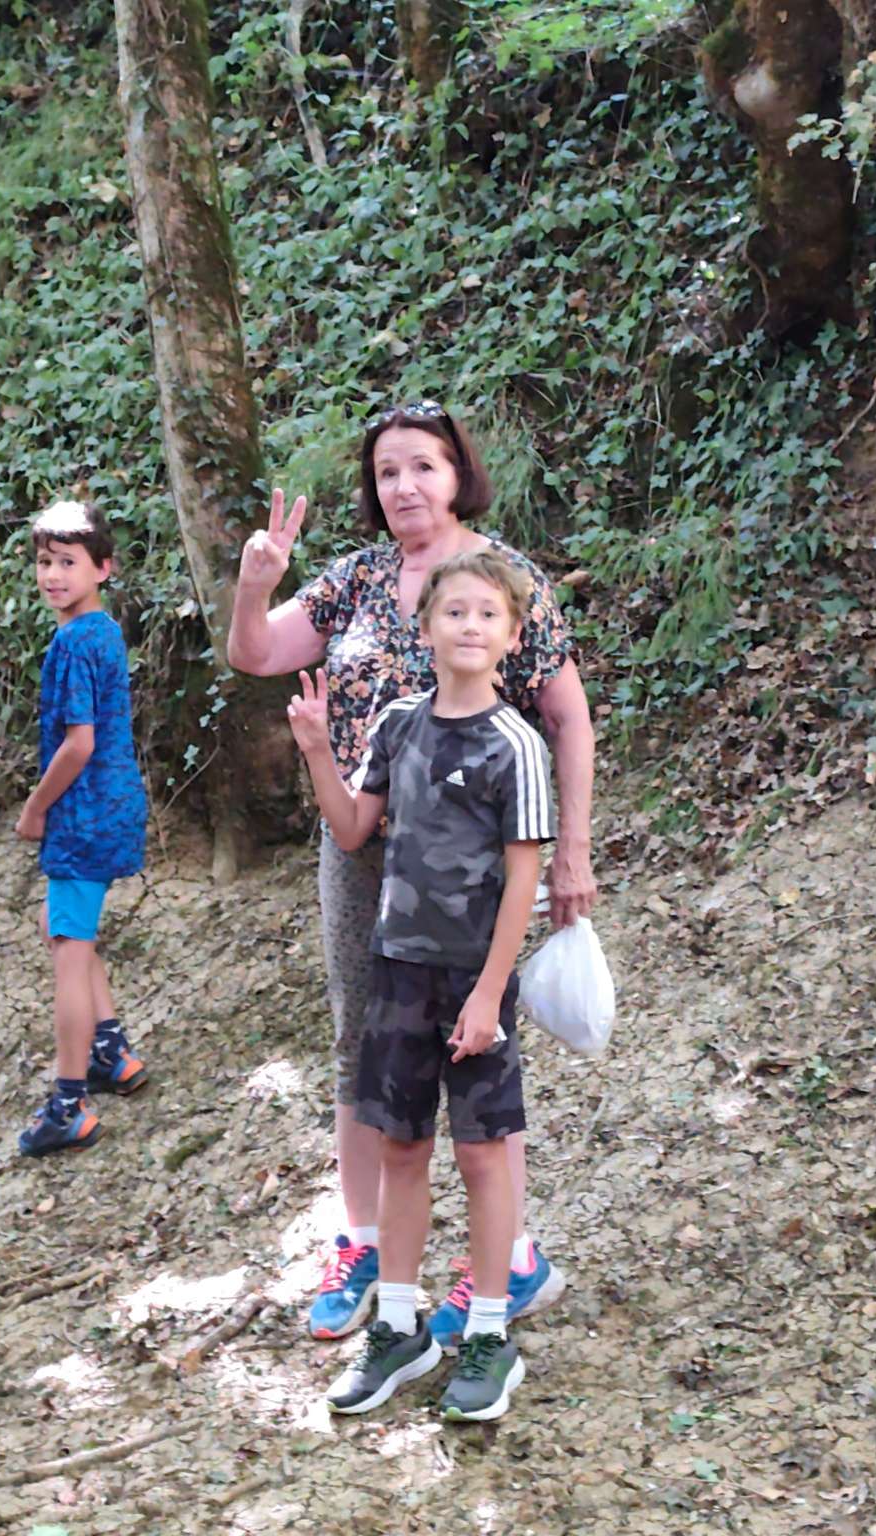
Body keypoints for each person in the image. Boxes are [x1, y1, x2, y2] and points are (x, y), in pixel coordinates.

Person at [227, 401, 598, 1344]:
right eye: (387, 471)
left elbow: (568, 718)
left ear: (457, 473)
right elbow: (256, 651)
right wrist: (254, 585)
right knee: (362, 1039)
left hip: (474, 867)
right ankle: (361, 1245)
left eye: (423, 466)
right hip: (362, 852)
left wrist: (573, 850)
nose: (404, 486)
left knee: (479, 1047)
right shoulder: (355, 580)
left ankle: (507, 1261)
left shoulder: (503, 579)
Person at [287, 549, 551, 1421]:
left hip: (475, 978)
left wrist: (490, 993)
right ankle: (398, 1327)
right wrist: (318, 751)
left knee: (482, 1152)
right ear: (425, 627)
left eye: (487, 615)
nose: (469, 626)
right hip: (397, 969)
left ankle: (489, 1332)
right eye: (454, 612)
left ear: (511, 636)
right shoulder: (397, 724)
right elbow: (352, 828)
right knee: (401, 1145)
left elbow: (523, 878)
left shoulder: (517, 745)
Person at [14, 500, 150, 1157]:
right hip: (116, 804)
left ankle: (68, 1105)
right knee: (61, 926)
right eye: (45, 562)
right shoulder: (104, 631)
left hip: (83, 811)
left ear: (103, 568)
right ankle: (110, 1052)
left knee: (69, 948)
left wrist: (36, 807)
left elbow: (79, 743)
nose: (53, 575)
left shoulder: (71, 643)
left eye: (68, 562)